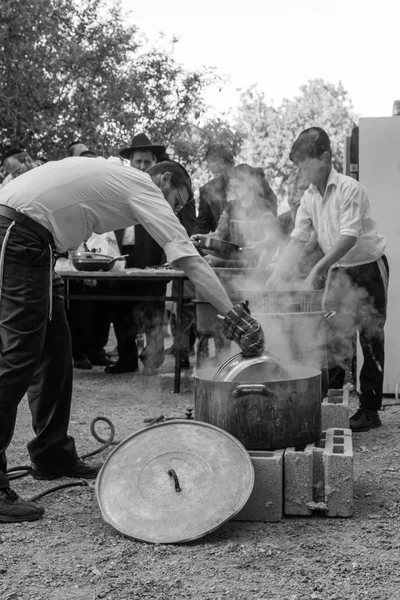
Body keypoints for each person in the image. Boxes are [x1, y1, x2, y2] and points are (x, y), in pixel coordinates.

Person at [0, 156, 264, 522]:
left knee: (56, 352)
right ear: (167, 181)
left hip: (33, 242)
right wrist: (233, 314)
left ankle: (52, 454)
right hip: (17, 235)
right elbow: (190, 261)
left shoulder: (124, 179)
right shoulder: (144, 186)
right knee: (17, 359)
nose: (174, 210)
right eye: (178, 202)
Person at [266, 127, 388, 433]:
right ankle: (329, 405)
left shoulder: (350, 189)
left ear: (325, 157)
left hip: (370, 267)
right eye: (299, 167)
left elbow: (348, 238)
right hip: (340, 269)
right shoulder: (309, 197)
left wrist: (316, 270)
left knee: (370, 337)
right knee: (333, 335)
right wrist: (274, 276)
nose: (303, 172)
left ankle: (370, 411)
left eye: (307, 164)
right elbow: (298, 240)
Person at [108, 133, 169, 375]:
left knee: (153, 308)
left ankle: (152, 362)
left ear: (155, 163)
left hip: (152, 257)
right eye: (138, 162)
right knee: (120, 308)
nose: (142, 167)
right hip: (122, 256)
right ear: (130, 163)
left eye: (147, 162)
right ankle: (126, 359)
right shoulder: (117, 186)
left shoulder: (162, 191)